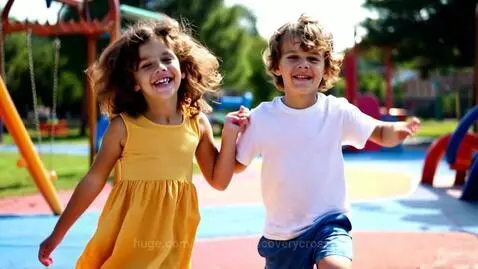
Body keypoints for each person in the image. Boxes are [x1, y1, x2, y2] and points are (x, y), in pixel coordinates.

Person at [38, 16, 247, 269]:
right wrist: (57, 234)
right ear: (134, 83)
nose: (159, 67)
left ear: (182, 66)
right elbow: (93, 180)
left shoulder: (197, 123)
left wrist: (228, 136)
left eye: (167, 59)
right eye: (146, 65)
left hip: (174, 238)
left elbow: (219, 180)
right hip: (127, 238)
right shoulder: (123, 127)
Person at [233, 14, 420, 269]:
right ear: (277, 66)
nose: (303, 65)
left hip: (329, 222)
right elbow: (237, 163)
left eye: (312, 58)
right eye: (293, 57)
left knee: (335, 265)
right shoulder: (261, 118)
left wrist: (397, 129)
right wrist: (233, 132)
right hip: (283, 235)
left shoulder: (337, 111)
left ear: (325, 68)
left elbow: (377, 131)